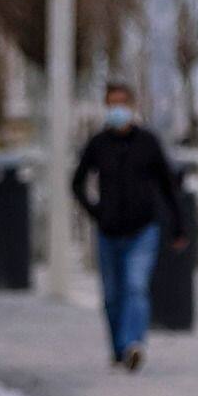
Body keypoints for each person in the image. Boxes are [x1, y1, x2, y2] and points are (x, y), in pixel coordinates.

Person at [70, 83, 188, 372]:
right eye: (112, 104)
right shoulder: (98, 143)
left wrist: (179, 226)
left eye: (122, 103)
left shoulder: (148, 142)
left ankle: (135, 343)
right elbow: (77, 182)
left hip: (142, 229)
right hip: (108, 231)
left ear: (132, 105)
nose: (118, 110)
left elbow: (168, 185)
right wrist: (96, 212)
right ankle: (119, 349)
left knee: (135, 287)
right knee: (112, 296)